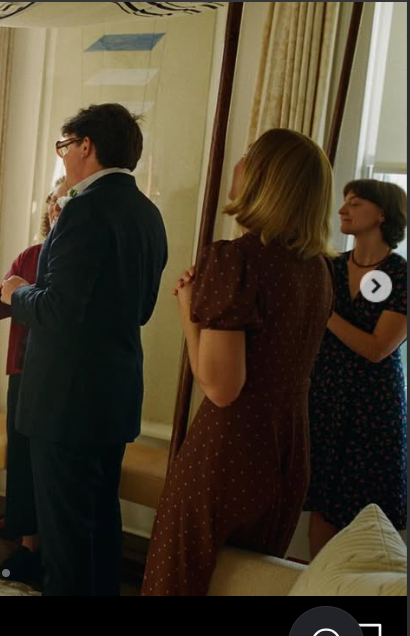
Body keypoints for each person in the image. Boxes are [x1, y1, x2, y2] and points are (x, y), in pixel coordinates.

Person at [141, 128, 335, 596]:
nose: (238, 163)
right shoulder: (317, 268)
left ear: (265, 179)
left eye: (248, 156)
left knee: (177, 580)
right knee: (242, 584)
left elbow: (221, 387)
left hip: (230, 449)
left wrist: (189, 311)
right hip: (288, 446)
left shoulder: (236, 259)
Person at [1, 104, 168, 595]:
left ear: (85, 146)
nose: (64, 158)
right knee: (99, 527)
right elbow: (140, 309)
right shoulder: (147, 213)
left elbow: (57, 309)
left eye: (64, 147)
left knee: (65, 540)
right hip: (112, 395)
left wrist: (16, 292)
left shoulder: (84, 210)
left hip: (66, 401)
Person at [0, 176, 68, 586]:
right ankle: (29, 549)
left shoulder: (79, 258)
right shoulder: (30, 256)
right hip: (23, 375)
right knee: (24, 463)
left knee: (54, 467)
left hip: (64, 379)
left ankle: (57, 556)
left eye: (67, 202)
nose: (58, 209)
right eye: (54, 202)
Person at [306, 179, 407, 556]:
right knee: (323, 498)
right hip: (327, 395)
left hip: (372, 405)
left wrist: (326, 313)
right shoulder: (329, 267)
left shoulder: (400, 274)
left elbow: (378, 348)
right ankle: (318, 588)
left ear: (382, 214)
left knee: (369, 506)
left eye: (356, 203)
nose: (343, 209)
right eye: (344, 202)